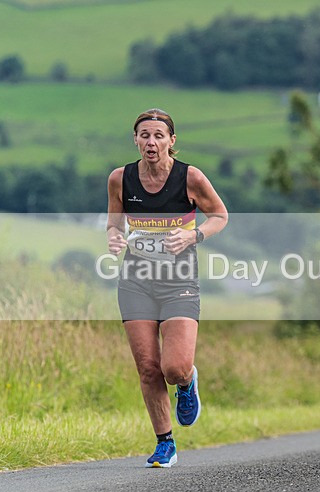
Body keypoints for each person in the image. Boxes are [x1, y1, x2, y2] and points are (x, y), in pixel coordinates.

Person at [106, 108, 228, 468]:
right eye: (144, 135)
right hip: (135, 281)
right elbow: (114, 225)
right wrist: (114, 238)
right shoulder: (120, 179)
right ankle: (165, 443)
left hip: (179, 283)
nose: (151, 141)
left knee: (173, 367)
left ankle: (187, 383)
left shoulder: (190, 177)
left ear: (171, 141)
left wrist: (194, 235)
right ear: (136, 140)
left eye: (159, 135)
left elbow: (220, 215)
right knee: (148, 367)